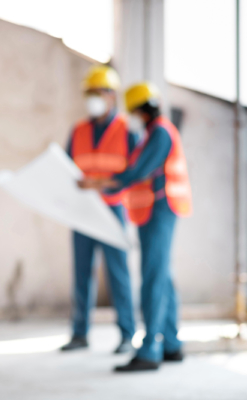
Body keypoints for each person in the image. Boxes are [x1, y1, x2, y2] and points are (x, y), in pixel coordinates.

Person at [107, 82, 192, 371]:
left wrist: (106, 182)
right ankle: (171, 344)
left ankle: (149, 350)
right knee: (163, 277)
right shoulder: (154, 133)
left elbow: (139, 171)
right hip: (155, 211)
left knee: (153, 278)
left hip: (159, 210)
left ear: (138, 111)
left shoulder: (160, 133)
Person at [61, 65, 136, 354]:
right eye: (88, 93)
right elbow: (67, 167)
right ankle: (79, 333)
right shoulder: (78, 130)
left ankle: (127, 335)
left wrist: (103, 185)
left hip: (113, 209)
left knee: (118, 274)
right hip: (82, 211)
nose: (92, 98)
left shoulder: (126, 129)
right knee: (81, 273)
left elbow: (135, 172)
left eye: (97, 93)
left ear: (111, 96)